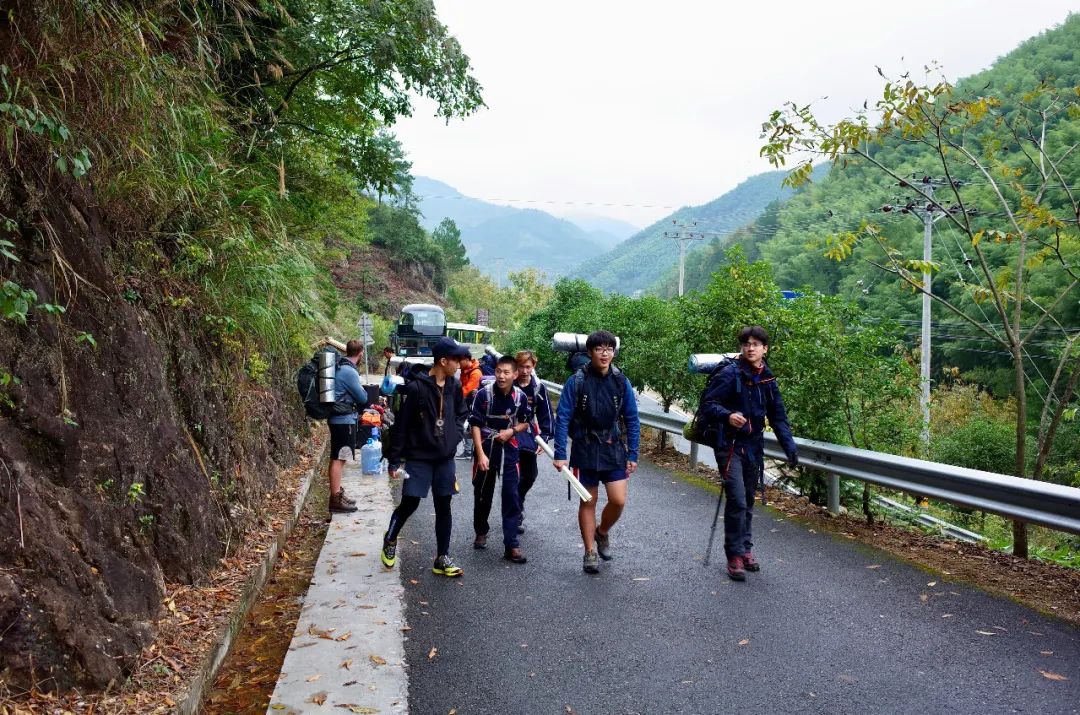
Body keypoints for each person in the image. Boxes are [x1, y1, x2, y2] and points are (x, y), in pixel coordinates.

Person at [700, 325, 798, 581]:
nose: (750, 348)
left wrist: (789, 447)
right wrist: (727, 415)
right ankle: (733, 556)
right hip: (729, 446)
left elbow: (778, 417)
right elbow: (708, 405)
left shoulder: (767, 379)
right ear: (742, 348)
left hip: (753, 448)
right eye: (746, 344)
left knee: (749, 501)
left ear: (765, 349)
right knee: (738, 500)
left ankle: (745, 549)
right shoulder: (730, 374)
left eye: (756, 344)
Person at [380, 337, 472, 577]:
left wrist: (455, 435)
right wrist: (394, 459)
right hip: (419, 457)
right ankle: (390, 538)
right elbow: (401, 426)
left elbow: (462, 413)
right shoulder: (416, 388)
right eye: (456, 360)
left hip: (444, 458)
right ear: (443, 361)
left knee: (444, 505)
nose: (460, 364)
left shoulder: (453, 385)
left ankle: (442, 557)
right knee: (411, 502)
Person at [553, 330, 640, 574]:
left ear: (614, 352)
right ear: (590, 352)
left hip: (613, 447)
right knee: (588, 500)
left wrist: (633, 453)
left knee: (618, 500)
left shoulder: (621, 381)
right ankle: (590, 551)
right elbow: (564, 418)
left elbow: (632, 419)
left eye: (609, 349)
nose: (605, 353)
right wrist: (560, 453)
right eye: (599, 349)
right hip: (585, 447)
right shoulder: (577, 381)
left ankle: (602, 532)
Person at [470, 355, 532, 563]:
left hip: (509, 448)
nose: (501, 376)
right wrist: (480, 454)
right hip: (486, 446)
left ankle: (511, 544)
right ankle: (481, 531)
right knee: (482, 492)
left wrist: (512, 431)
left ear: (515, 374)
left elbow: (525, 423)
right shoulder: (483, 394)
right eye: (498, 371)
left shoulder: (520, 397)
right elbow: (475, 425)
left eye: (506, 372)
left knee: (511, 495)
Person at [328, 340, 372, 514]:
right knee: (340, 458)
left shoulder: (341, 367)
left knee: (337, 457)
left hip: (338, 418)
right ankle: (335, 500)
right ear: (360, 353)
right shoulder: (349, 372)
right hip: (343, 420)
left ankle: (337, 493)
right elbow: (362, 398)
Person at [514, 350, 553, 534]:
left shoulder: (538, 388)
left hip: (529, 434)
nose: (524, 370)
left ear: (533, 367)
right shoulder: (508, 384)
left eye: (528, 366)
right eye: (521, 366)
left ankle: (518, 500)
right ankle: (515, 513)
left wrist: (544, 438)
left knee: (530, 475)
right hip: (509, 433)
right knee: (512, 476)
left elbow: (546, 416)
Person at [457, 355, 483, 460]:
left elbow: (467, 389)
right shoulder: (465, 370)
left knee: (467, 426)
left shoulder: (475, 373)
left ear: (467, 360)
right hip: (468, 402)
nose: (458, 363)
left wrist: (454, 398)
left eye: (459, 361)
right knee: (467, 426)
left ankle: (469, 451)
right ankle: (469, 450)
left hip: (474, 404)